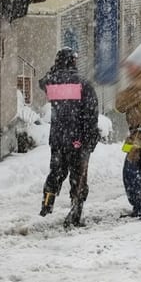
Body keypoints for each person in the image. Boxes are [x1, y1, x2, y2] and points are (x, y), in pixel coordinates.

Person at [38, 47, 99, 227]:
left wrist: (55, 69)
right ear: (73, 62)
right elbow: (91, 115)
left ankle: (46, 206)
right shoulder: (83, 84)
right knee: (78, 177)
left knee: (56, 173)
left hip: (58, 139)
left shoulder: (52, 83)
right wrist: (89, 139)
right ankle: (75, 211)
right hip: (78, 140)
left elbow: (42, 82)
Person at [115, 60, 141, 220]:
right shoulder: (140, 84)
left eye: (132, 66)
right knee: (138, 171)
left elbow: (120, 104)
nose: (128, 70)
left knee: (132, 171)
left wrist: (128, 91)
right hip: (136, 137)